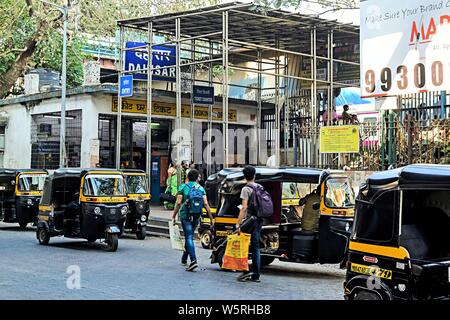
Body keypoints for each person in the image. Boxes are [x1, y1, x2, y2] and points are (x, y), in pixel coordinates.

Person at [172, 169, 214, 271]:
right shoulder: (201, 188)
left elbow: (178, 203)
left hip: (185, 215)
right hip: (196, 215)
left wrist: (174, 216)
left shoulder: (183, 187)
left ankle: (193, 260)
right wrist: (211, 218)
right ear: (196, 178)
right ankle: (184, 258)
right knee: (189, 235)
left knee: (189, 236)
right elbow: (206, 204)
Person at [236, 165, 263, 282]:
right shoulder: (260, 187)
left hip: (249, 221)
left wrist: (238, 223)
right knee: (256, 246)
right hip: (259, 219)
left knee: (244, 245)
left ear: (244, 176)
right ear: (254, 175)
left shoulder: (246, 189)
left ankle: (245, 270)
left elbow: (244, 208)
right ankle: (256, 274)